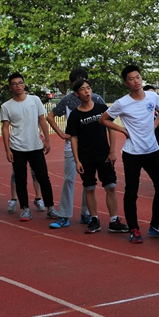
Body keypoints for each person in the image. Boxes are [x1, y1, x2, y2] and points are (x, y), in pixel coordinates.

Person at [100, 65, 159, 244]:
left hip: (152, 150)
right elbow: (103, 119)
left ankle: (156, 225)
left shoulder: (152, 97)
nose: (136, 81)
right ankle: (134, 228)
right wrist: (123, 130)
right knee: (132, 191)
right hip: (132, 153)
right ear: (126, 83)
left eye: (137, 77)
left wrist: (154, 125)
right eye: (131, 79)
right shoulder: (122, 103)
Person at [66, 79, 129, 234]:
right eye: (82, 89)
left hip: (104, 155)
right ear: (77, 94)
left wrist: (112, 151)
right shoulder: (75, 115)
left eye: (88, 88)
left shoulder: (101, 108)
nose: (87, 91)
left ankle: (114, 220)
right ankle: (94, 219)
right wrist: (77, 160)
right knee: (89, 188)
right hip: (86, 157)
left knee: (111, 187)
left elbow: (111, 129)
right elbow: (73, 138)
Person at [47, 68, 100, 227]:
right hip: (72, 146)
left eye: (85, 81)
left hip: (91, 147)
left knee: (89, 182)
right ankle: (64, 215)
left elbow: (106, 117)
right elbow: (50, 116)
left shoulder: (96, 99)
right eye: (77, 82)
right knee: (69, 179)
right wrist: (61, 134)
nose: (82, 85)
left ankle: (86, 213)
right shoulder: (67, 100)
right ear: (73, 85)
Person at [1, 73, 57, 221]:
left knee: (43, 177)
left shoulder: (35, 100)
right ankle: (25, 209)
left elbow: (42, 120)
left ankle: (50, 207)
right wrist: (7, 149)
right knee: (20, 179)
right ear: (10, 87)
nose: (18, 86)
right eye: (14, 84)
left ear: (24, 84)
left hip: (35, 146)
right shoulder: (6, 106)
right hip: (17, 147)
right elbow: (5, 128)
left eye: (20, 83)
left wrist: (47, 140)